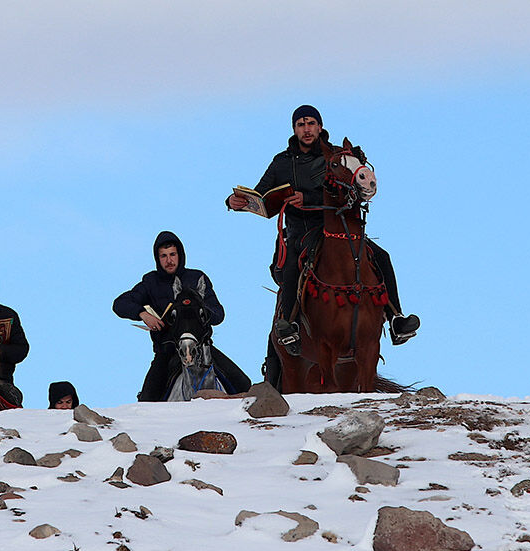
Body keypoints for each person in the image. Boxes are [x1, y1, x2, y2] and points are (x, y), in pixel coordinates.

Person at [227, 105, 420, 372]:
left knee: (381, 256)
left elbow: (353, 190)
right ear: (294, 129)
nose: (306, 129)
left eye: (311, 123)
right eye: (300, 124)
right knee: (293, 266)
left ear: (320, 127)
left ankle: (396, 318)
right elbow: (261, 194)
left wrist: (310, 198)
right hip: (301, 231)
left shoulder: (338, 157)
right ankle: (290, 325)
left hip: (337, 228)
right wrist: (237, 201)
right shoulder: (281, 162)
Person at [112, 231, 251, 401]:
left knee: (244, 384)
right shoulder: (151, 282)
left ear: (180, 255)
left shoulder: (197, 278)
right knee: (147, 399)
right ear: (157, 258)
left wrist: (199, 309)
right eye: (163, 256)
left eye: (172, 254)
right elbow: (119, 304)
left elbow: (219, 315)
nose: (169, 260)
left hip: (203, 350)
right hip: (167, 352)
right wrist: (142, 314)